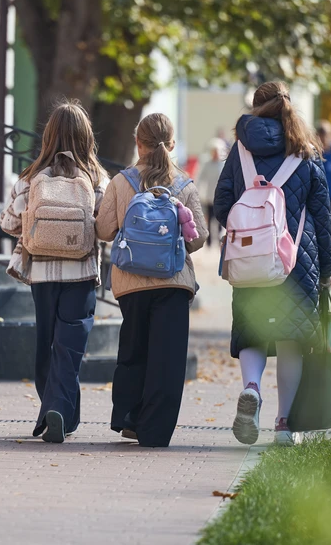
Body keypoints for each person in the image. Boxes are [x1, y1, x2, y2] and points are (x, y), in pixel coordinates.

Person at [213, 81, 331, 446]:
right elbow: (321, 215)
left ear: (254, 108)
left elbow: (221, 202)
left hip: (250, 259)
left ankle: (252, 387)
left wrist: (247, 230)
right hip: (297, 261)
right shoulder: (305, 151)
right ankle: (284, 424)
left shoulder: (240, 150)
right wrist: (326, 269)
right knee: (291, 338)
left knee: (250, 331)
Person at [95, 113, 208, 448]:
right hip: (173, 280)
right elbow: (198, 237)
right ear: (171, 144)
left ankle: (129, 417)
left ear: (137, 142)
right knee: (168, 359)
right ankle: (155, 431)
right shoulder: (184, 184)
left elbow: (103, 230)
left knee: (134, 348)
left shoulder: (121, 182)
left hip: (130, 282)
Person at [0, 101, 108, 444]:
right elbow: (105, 226)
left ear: (47, 136)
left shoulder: (30, 178)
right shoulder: (96, 179)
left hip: (41, 276)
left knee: (46, 345)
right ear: (86, 137)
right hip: (81, 274)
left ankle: (54, 411)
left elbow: (9, 223)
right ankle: (59, 409)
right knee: (69, 346)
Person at [196, 138, 227, 246]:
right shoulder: (207, 164)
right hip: (209, 197)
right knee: (209, 220)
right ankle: (209, 241)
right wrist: (197, 189)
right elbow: (200, 178)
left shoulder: (223, 164)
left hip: (220, 196)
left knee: (219, 219)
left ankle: (219, 237)